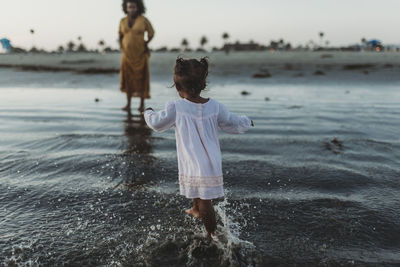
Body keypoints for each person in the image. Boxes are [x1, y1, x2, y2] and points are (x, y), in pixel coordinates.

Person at [143, 57, 254, 237]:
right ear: (204, 83)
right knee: (199, 188)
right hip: (209, 160)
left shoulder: (176, 108)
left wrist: (147, 112)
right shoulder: (215, 107)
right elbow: (231, 121)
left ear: (178, 88)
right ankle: (195, 209)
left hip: (193, 158)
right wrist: (247, 122)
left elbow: (157, 123)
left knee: (206, 201)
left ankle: (212, 235)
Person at [119, 0, 154, 113]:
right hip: (126, 56)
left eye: (134, 7)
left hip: (141, 54)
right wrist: (122, 46)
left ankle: (141, 105)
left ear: (138, 7)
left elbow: (151, 33)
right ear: (126, 8)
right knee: (128, 78)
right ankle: (128, 104)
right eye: (130, 7)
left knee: (142, 78)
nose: (132, 9)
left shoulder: (143, 20)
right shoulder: (122, 21)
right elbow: (120, 35)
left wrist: (146, 43)